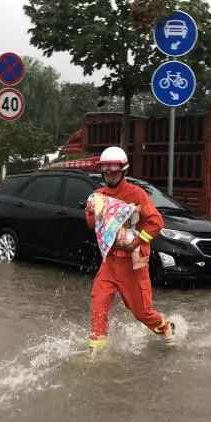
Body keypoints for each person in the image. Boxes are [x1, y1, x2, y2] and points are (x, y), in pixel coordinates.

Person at [85, 146, 174, 353]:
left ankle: (166, 327)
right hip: (110, 260)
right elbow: (91, 224)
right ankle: (96, 352)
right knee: (98, 303)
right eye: (105, 171)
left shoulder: (137, 194)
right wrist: (91, 212)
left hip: (135, 259)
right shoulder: (98, 195)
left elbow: (156, 222)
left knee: (141, 312)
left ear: (123, 171)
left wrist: (136, 242)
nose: (109, 174)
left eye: (113, 171)